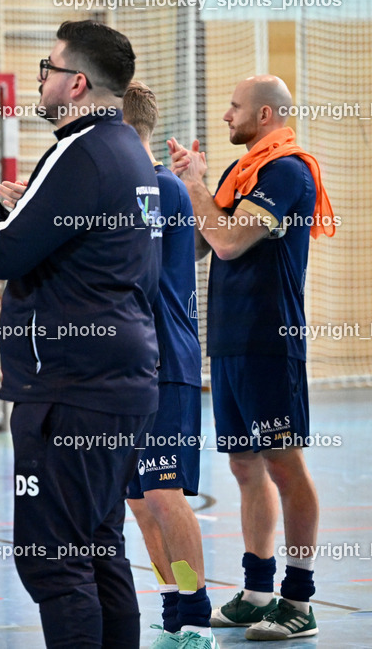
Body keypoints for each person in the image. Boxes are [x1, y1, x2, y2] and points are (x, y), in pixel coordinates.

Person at [0, 19, 161, 648]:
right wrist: (12, 208)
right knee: (98, 545)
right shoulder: (126, 151)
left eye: (48, 66)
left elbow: (2, 255)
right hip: (117, 378)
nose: (40, 76)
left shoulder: (79, 150)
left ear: (78, 83)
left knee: (53, 559)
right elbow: (82, 252)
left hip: (70, 383)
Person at [168, 74, 333, 641]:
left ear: (265, 115)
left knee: (285, 464)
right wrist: (192, 186)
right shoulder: (247, 174)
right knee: (245, 467)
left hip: (270, 341)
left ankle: (300, 599)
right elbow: (202, 240)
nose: (226, 116)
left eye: (235, 107)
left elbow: (230, 241)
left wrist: (194, 185)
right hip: (233, 341)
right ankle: (258, 590)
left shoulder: (286, 170)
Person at [120, 82, 215, 649]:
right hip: (127, 368)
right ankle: (174, 606)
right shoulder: (141, 187)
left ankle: (198, 615)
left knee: (162, 492)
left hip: (163, 360)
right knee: (137, 499)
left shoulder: (156, 188)